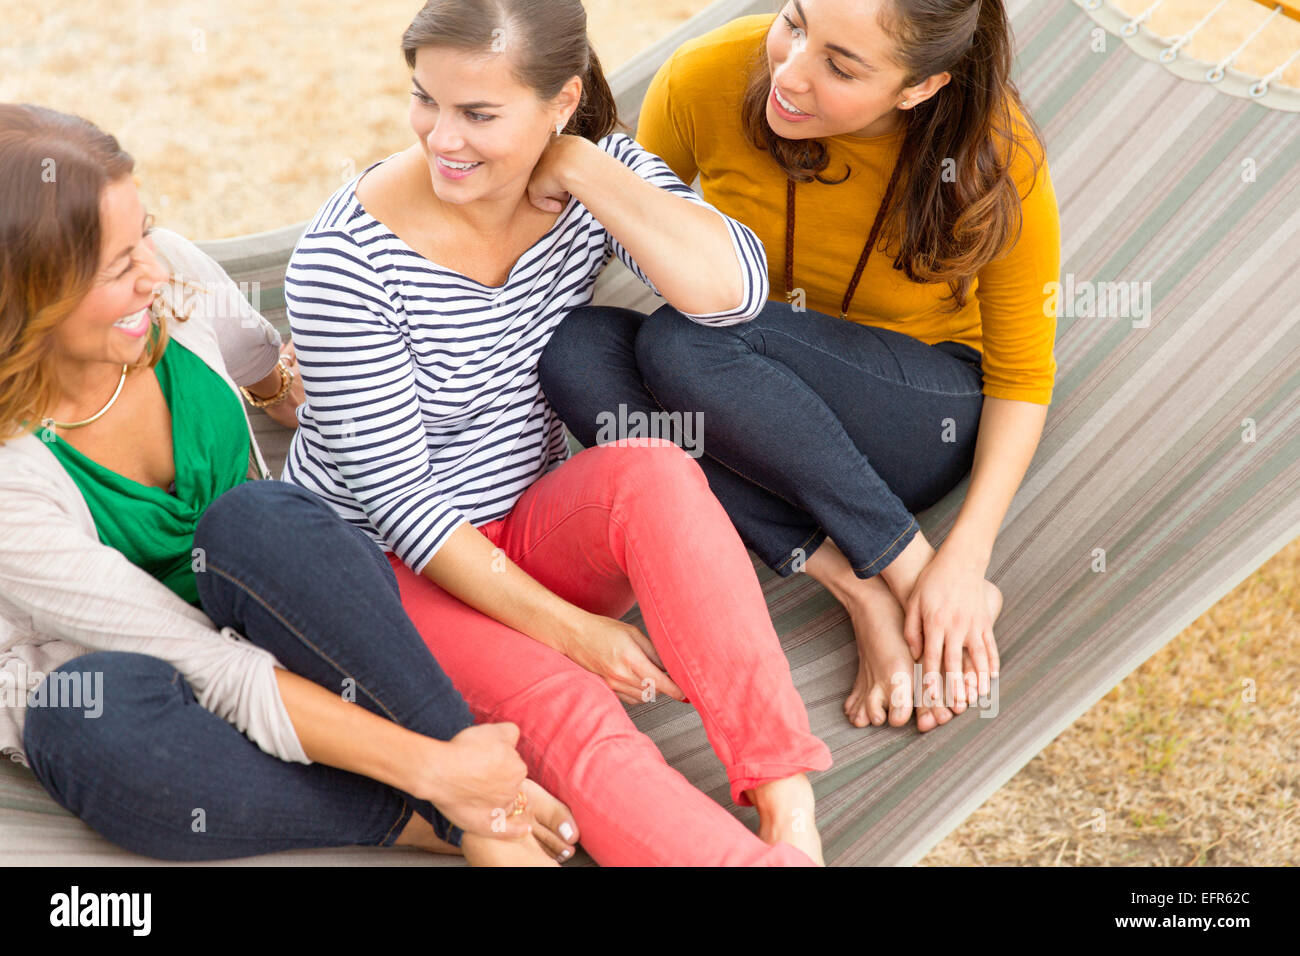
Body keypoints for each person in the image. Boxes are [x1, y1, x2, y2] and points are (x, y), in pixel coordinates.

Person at [281, 0, 833, 866]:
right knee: (568, 702)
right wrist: (574, 634)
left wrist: (583, 166)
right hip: (387, 571)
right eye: (426, 100)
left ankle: (787, 797)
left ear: (560, 101)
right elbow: (401, 508)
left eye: (479, 114)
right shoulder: (344, 264)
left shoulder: (587, 173)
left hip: (529, 531)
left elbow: (732, 292)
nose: (442, 139)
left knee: (652, 471)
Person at [0, 103, 579, 865]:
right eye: (116, 266)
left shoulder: (174, 280)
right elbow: (210, 668)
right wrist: (440, 780)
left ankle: (467, 779)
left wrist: (289, 392)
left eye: (143, 229)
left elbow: (261, 362)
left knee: (257, 520)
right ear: (28, 303)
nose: (153, 270)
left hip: (279, 609)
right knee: (83, 725)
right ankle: (443, 816)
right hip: (147, 683)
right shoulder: (14, 481)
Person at [539, 0, 1060, 732]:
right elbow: (645, 234)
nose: (789, 69)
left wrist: (962, 564)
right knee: (577, 349)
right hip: (741, 393)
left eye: (841, 65)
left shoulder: (994, 152)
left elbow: (1022, 376)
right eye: (794, 20)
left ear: (918, 88)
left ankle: (905, 567)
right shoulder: (704, 76)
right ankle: (867, 588)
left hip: (915, 416)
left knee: (686, 343)